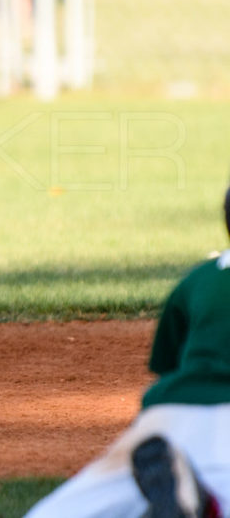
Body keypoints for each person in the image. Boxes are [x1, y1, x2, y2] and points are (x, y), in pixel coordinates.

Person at [23, 188, 230, 518]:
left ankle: (192, 502)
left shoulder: (197, 280)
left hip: (166, 421)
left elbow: (168, 366)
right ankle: (208, 508)